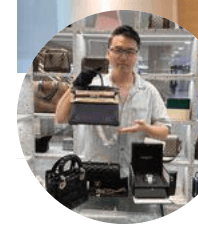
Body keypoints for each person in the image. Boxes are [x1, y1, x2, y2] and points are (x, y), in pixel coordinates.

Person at [55, 25, 171, 177]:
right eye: (118, 50)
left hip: (132, 173)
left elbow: (165, 131)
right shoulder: (92, 85)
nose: (123, 57)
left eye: (130, 51)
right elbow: (60, 118)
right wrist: (75, 86)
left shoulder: (148, 91)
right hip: (95, 171)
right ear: (108, 54)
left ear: (136, 56)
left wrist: (145, 128)